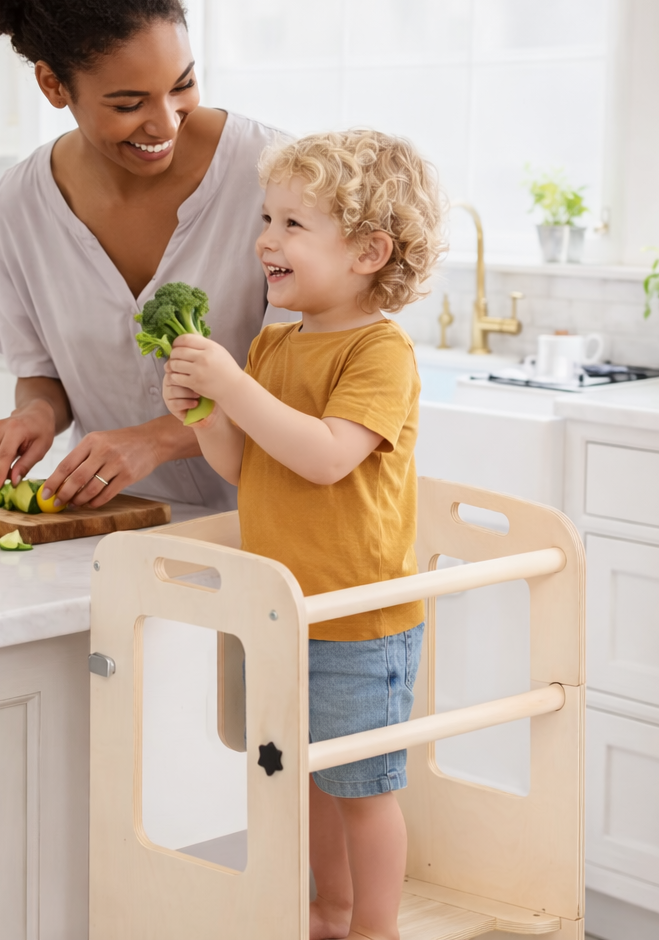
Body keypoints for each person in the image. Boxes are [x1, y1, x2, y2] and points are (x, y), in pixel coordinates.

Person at [162, 129, 445, 940]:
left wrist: (231, 386)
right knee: (308, 782)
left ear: (367, 251)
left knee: (363, 789)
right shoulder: (272, 343)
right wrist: (205, 411)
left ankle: (377, 927)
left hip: (358, 620)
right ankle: (330, 911)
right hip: (286, 614)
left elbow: (325, 459)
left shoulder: (380, 351)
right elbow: (247, 468)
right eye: (266, 218)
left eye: (292, 224)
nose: (265, 240)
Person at [0, 0, 284, 511]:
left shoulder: (276, 177)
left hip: (270, 533)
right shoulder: (22, 203)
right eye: (129, 104)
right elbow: (43, 372)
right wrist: (34, 412)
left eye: (182, 85)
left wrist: (155, 440)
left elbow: (305, 384)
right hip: (114, 529)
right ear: (54, 86)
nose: (165, 123)